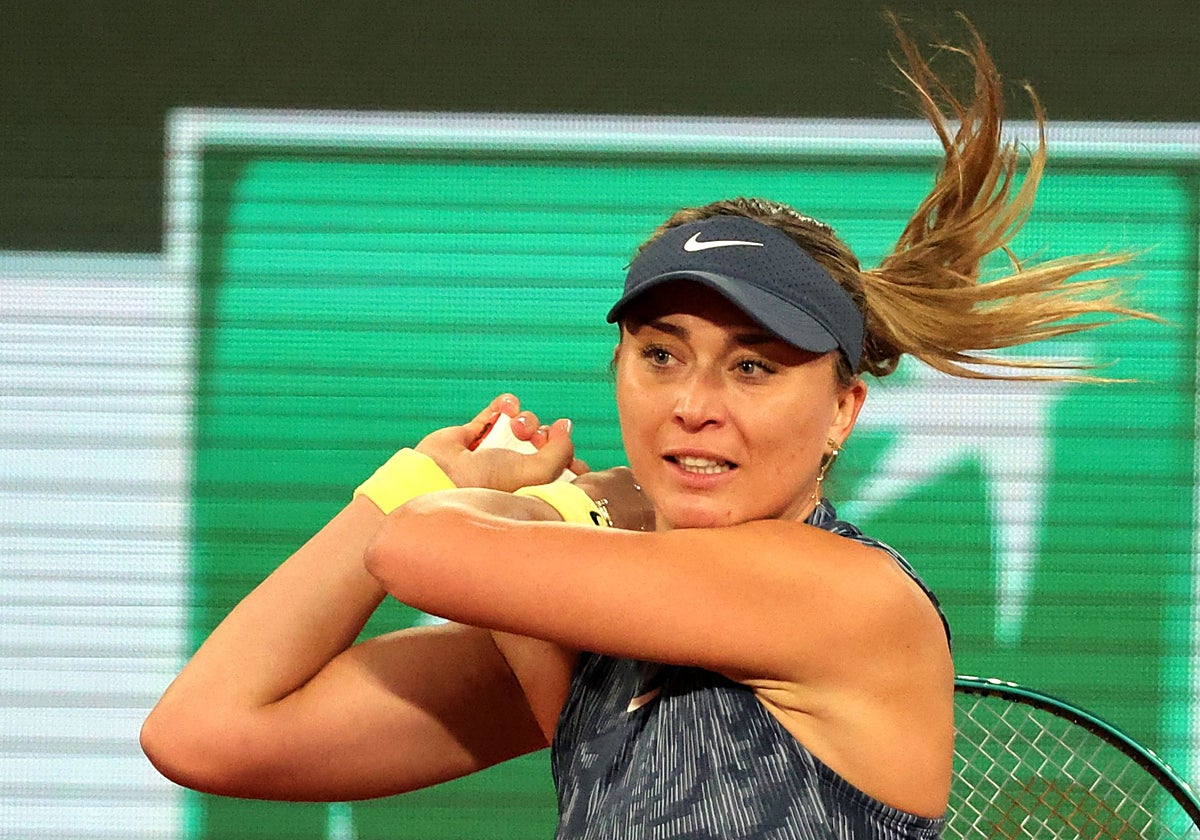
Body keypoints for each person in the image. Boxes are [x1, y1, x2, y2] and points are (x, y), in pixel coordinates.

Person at [140, 18, 1148, 839]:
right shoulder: (591, 630)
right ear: (616, 370)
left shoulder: (846, 597)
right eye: (661, 355)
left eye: (753, 366)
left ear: (844, 411)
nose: (694, 402)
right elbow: (210, 733)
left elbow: (424, 547)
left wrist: (533, 493)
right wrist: (416, 475)